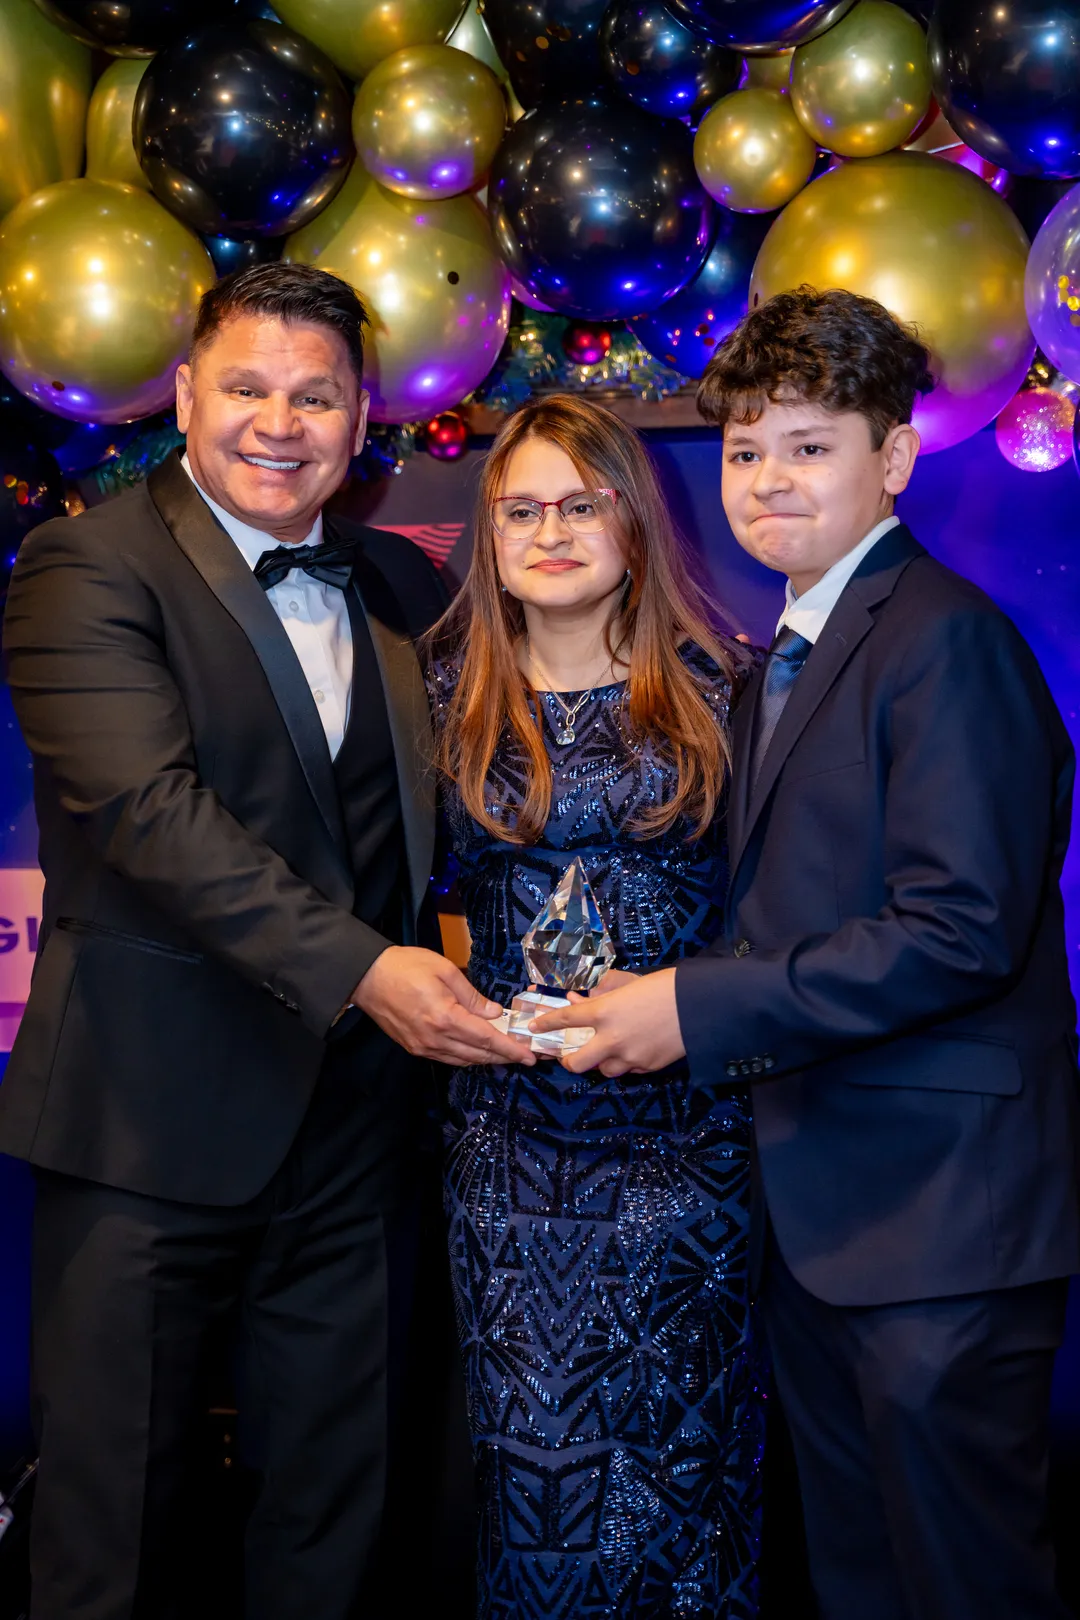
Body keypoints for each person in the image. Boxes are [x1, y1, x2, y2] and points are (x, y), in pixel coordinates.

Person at [533, 288, 1080, 1620]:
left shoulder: (946, 642)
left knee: (962, 1584)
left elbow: (958, 931)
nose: (768, 479)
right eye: (743, 450)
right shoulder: (790, 650)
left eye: (811, 446)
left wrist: (693, 1007)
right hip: (829, 1223)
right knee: (862, 1581)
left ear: (892, 459)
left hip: (941, 1232)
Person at [0, 261, 526, 1620]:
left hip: (355, 1139)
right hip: (146, 1130)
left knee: (333, 1521)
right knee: (113, 1532)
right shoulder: (86, 564)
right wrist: (366, 969)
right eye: (247, 386)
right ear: (184, 395)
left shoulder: (396, 593)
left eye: (316, 395)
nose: (279, 423)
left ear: (362, 425)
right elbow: (145, 813)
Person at [424, 393, 763, 1619]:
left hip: (688, 1144)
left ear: (635, 521)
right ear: (491, 529)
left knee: (685, 1472)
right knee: (534, 1481)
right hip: (510, 1156)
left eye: (582, 503)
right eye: (521, 509)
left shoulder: (735, 693)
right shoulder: (437, 692)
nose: (551, 531)